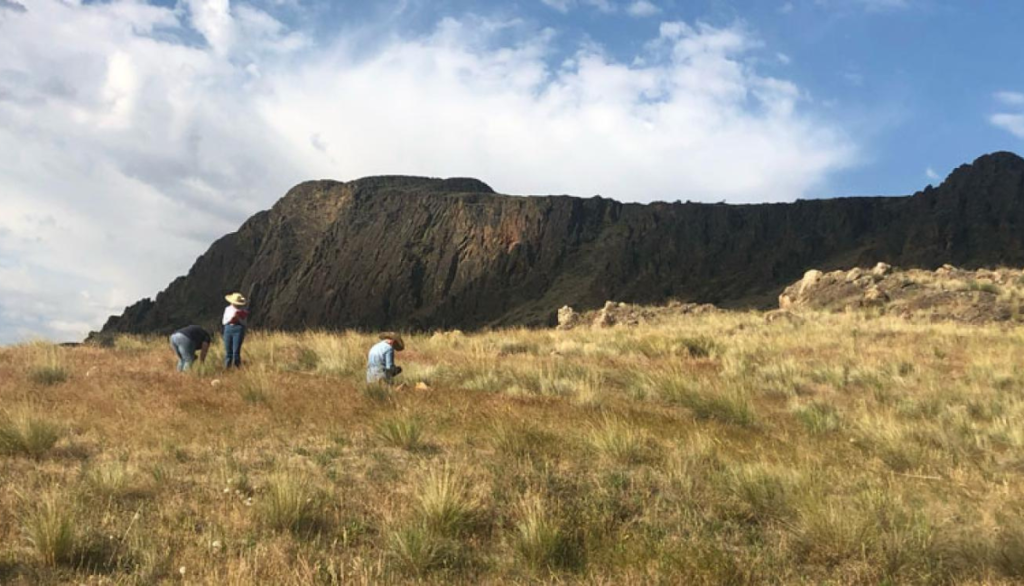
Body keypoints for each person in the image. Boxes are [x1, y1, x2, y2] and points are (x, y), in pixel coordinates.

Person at [222, 292, 249, 368]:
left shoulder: (243, 311)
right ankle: (227, 367)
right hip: (228, 328)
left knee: (236, 351)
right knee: (228, 350)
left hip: (238, 329)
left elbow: (244, 323)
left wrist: (238, 318)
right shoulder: (227, 309)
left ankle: (237, 366)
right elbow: (224, 321)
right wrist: (231, 319)